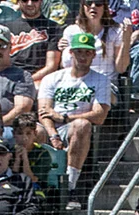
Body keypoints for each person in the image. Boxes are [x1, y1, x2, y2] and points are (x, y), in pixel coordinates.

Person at [37, 31, 109, 197]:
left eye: (87, 52)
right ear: (71, 53)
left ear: (93, 55)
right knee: (32, 130)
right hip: (51, 129)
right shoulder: (52, 78)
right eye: (78, 51)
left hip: (74, 128)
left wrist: (64, 118)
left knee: (81, 125)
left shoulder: (101, 80)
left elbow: (100, 115)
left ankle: (70, 185)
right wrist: (54, 135)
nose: (82, 56)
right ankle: (37, 186)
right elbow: (43, 111)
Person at [60, 1, 130, 100]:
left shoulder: (115, 31)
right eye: (89, 3)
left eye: (98, 3)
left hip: (106, 84)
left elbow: (121, 68)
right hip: (75, 82)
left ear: (104, 7)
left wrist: (126, 41)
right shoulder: (71, 31)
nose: (93, 7)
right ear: (83, 6)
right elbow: (65, 65)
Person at [8, 0, 63, 88]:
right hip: (10, 79)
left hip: (39, 80)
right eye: (25, 0)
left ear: (41, 1)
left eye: (35, 0)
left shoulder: (53, 27)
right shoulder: (7, 28)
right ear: (18, 2)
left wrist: (28, 81)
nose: (30, 3)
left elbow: (51, 66)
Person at [0, 26, 35, 134]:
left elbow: (22, 108)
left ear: (10, 48)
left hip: (7, 128)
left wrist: (0, 125)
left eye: (2, 46)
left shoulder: (21, 76)